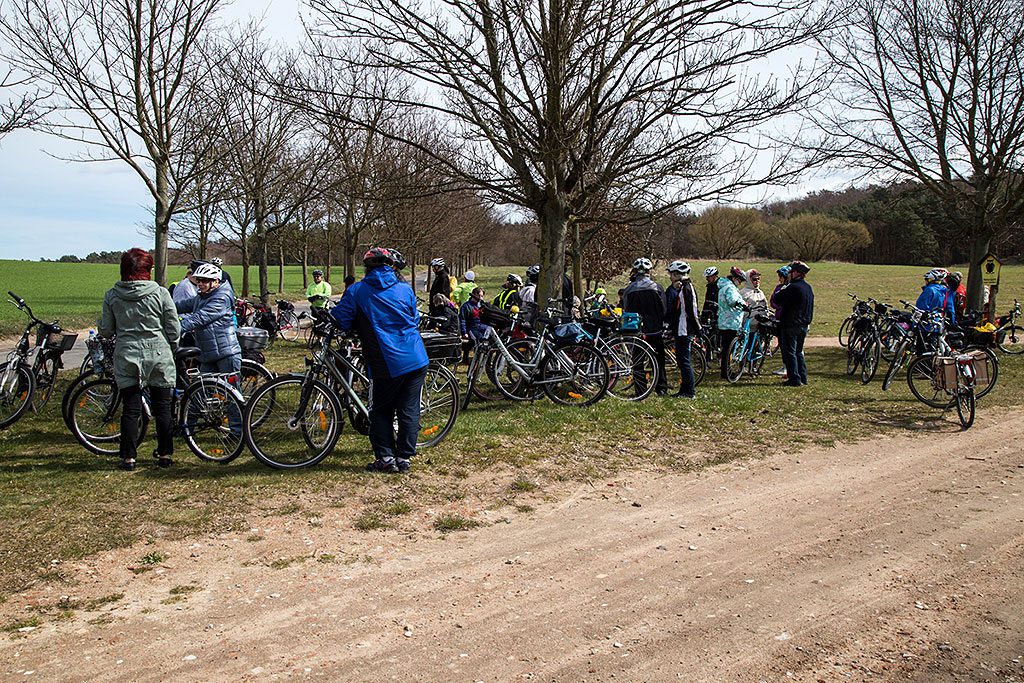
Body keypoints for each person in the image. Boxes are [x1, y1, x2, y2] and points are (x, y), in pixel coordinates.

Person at [331, 247, 428, 474]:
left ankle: (385, 458)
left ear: (367, 268)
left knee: (380, 410)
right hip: (416, 357)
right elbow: (414, 318)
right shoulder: (404, 288)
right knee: (408, 408)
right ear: (390, 266)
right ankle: (404, 458)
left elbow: (341, 319)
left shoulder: (357, 291)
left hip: (386, 360)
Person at [99, 248, 180, 471]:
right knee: (163, 408)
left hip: (127, 355)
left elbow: (106, 330)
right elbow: (173, 327)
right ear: (148, 270)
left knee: (131, 409)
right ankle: (165, 454)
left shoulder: (112, 295)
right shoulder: (161, 293)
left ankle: (128, 457)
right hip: (159, 354)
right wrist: (172, 346)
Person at [176, 262, 242, 376]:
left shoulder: (222, 298)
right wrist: (163, 308)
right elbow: (183, 305)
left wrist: (175, 328)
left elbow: (200, 318)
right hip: (208, 354)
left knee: (228, 387)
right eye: (198, 280)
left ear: (216, 281)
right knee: (203, 386)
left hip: (225, 353)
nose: (200, 284)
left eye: (205, 281)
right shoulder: (203, 296)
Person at [622, 257, 669, 396]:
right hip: (655, 328)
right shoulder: (657, 287)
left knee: (638, 361)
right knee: (659, 359)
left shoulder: (629, 289)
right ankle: (661, 388)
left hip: (637, 329)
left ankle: (640, 390)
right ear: (649, 271)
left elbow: (626, 309)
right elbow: (664, 309)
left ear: (635, 271)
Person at [774, 260, 814, 386]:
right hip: (803, 324)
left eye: (791, 272)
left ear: (796, 273)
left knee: (790, 352)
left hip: (791, 324)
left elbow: (777, 299)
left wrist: (783, 288)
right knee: (798, 352)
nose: (789, 275)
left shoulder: (792, 287)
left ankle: (794, 379)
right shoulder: (808, 287)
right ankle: (803, 377)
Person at [666, 260, 701, 398]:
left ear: (677, 274)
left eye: (671, 274)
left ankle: (690, 391)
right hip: (680, 328)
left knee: (685, 362)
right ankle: (683, 390)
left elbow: (692, 310)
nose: (670, 277)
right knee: (681, 362)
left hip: (685, 329)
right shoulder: (682, 287)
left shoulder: (687, 288)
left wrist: (698, 328)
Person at [717, 267, 748, 379]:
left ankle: (725, 372)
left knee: (726, 348)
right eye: (739, 280)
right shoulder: (730, 288)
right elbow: (732, 301)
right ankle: (727, 372)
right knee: (728, 349)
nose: (740, 283)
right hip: (731, 322)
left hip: (724, 321)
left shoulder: (724, 286)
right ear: (734, 278)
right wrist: (743, 304)